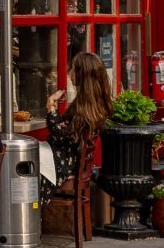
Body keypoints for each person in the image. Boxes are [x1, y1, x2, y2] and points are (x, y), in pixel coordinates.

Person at [43, 51, 113, 189]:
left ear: (84, 74)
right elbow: (64, 130)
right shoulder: (91, 106)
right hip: (68, 161)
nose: (70, 73)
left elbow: (59, 134)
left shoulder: (84, 110)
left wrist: (51, 104)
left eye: (74, 70)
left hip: (64, 164)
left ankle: (33, 208)